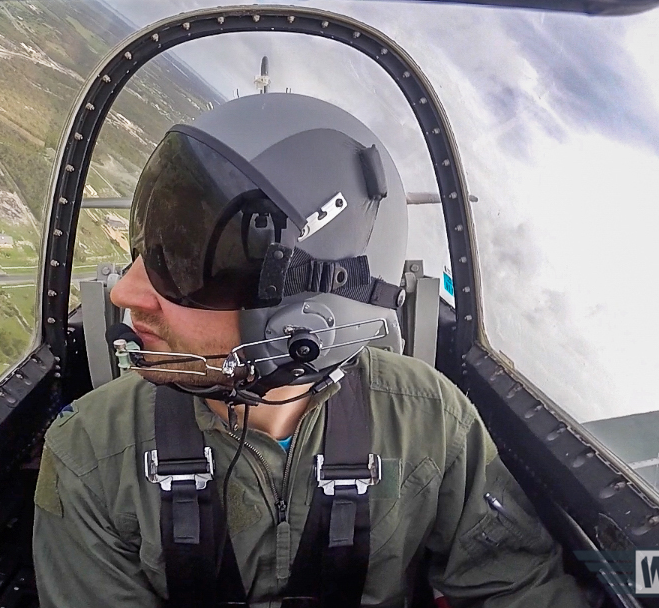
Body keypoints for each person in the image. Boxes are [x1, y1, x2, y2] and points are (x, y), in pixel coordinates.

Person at [32, 93, 587, 608]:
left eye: (183, 266)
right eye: (144, 251)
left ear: (305, 318)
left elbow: (519, 589)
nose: (125, 293)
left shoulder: (431, 423)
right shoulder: (89, 452)